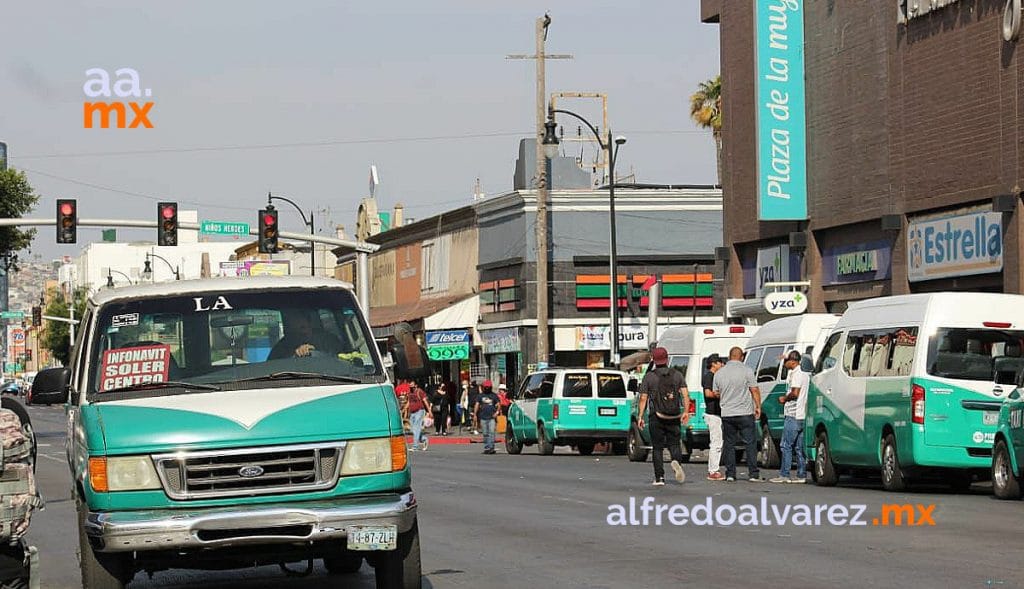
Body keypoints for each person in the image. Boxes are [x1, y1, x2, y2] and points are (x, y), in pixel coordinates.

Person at [637, 347, 689, 486]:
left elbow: (643, 398)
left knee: (658, 447)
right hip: (674, 415)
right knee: (674, 444)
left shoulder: (649, 376)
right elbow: (685, 394)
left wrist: (640, 416)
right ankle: (676, 461)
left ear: (653, 360)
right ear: (667, 359)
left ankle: (659, 477)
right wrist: (686, 412)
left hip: (656, 416)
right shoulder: (677, 375)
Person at [713, 346, 763, 482]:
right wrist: (758, 406)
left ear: (729, 357)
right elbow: (754, 390)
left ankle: (730, 474)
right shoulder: (747, 371)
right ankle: (753, 474)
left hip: (727, 413)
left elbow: (716, 393)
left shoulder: (719, 373)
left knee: (729, 444)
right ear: (741, 357)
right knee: (750, 443)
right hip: (745, 412)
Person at [771, 351, 809, 483]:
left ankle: (784, 474)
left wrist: (784, 399)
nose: (784, 363)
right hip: (802, 415)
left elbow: (795, 393)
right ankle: (801, 475)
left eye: (786, 361)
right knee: (799, 447)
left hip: (793, 414)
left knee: (786, 445)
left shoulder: (797, 375)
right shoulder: (804, 374)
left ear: (793, 361)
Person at [268, 311, 344, 360]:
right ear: (287, 333)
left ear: (310, 325)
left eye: (303, 327)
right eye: (294, 331)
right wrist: (295, 355)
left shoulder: (328, 340)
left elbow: (342, 361)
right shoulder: (279, 350)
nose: (300, 333)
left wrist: (314, 352)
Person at [702, 354, 726, 481]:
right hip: (713, 414)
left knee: (719, 442)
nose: (722, 365)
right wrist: (720, 394)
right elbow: (708, 393)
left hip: (718, 413)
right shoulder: (709, 377)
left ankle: (715, 468)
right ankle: (713, 470)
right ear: (714, 364)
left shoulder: (716, 376)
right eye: (720, 363)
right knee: (716, 442)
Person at [475, 380, 501, 454]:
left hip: (492, 417)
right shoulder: (480, 396)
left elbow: (499, 405)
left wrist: (497, 412)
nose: (487, 388)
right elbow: (476, 405)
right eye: (485, 387)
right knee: (485, 433)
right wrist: (475, 414)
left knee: (491, 432)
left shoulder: (494, 395)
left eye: (488, 387)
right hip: (483, 417)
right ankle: (487, 447)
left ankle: (491, 447)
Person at [406, 381, 432, 451]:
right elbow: (409, 402)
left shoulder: (419, 391)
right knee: (412, 429)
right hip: (412, 412)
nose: (411, 387)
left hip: (419, 411)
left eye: (412, 385)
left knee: (417, 429)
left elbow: (425, 401)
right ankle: (424, 439)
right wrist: (404, 410)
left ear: (416, 385)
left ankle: (415, 446)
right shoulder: (410, 392)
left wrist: (429, 411)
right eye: (410, 385)